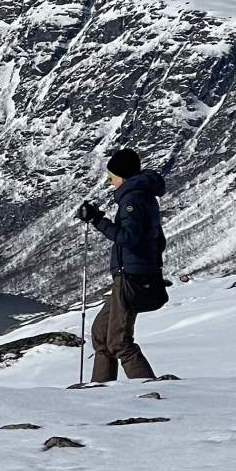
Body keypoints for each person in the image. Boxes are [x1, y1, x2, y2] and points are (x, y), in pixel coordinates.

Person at [76, 149, 168, 384]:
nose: (110, 180)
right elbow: (158, 240)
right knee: (100, 332)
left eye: (112, 175)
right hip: (133, 273)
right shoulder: (141, 196)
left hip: (131, 276)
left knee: (119, 341)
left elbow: (129, 238)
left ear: (123, 176)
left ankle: (149, 390)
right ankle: (101, 388)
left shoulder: (133, 199)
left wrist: (97, 221)